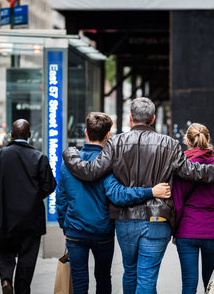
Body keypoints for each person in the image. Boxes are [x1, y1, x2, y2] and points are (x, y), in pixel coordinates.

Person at [63, 98, 214, 293]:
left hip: (125, 220)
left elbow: (91, 171)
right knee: (147, 278)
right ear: (152, 119)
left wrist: (70, 154)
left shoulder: (115, 142)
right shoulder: (169, 144)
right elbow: (193, 172)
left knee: (130, 272)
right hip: (157, 220)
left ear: (130, 118)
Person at [56, 112, 172, 294]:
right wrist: (151, 191)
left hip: (74, 231)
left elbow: (61, 200)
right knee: (103, 278)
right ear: (108, 135)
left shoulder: (68, 164)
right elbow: (119, 195)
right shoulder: (108, 165)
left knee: (78, 281)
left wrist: (64, 227)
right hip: (102, 232)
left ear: (86, 132)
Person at [0, 119, 57, 294]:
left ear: (11, 135)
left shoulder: (0, 155)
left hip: (6, 216)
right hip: (31, 218)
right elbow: (49, 186)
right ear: (29, 135)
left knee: (5, 250)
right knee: (28, 257)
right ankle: (22, 291)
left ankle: (6, 279)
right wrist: (33, 196)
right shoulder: (39, 157)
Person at [172, 123, 214, 293]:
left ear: (187, 140)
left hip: (186, 231)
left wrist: (175, 230)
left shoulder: (181, 168)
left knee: (188, 285)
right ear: (208, 140)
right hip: (213, 233)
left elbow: (177, 204)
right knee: (212, 286)